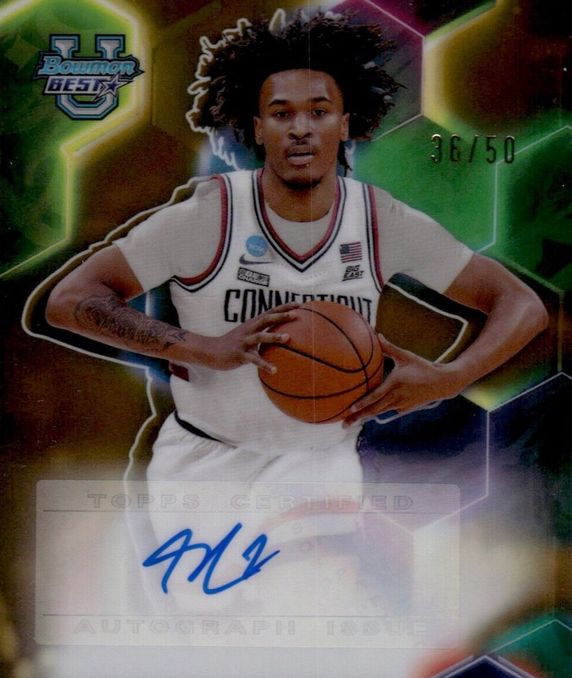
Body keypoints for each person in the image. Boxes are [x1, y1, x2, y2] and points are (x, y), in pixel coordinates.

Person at [44, 10, 547, 518]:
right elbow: (70, 300)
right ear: (258, 128)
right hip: (205, 467)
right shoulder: (209, 215)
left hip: (322, 470)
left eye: (319, 111)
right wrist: (202, 347)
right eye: (282, 114)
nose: (301, 129)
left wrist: (452, 376)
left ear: (345, 124)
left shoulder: (380, 220)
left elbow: (520, 303)